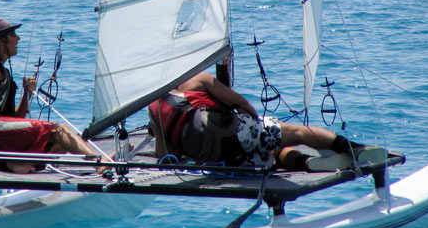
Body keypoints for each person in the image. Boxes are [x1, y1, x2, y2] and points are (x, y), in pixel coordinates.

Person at [147, 71, 385, 171]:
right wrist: (254, 123)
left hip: (213, 157)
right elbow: (243, 104)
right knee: (293, 132)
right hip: (234, 133)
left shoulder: (152, 108)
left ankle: (303, 162)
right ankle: (354, 150)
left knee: (267, 155)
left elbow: (163, 153)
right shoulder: (198, 79)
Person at [0, 18, 107, 174]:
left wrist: (27, 95)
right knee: (59, 130)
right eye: (13, 34)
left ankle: (17, 164)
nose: (18, 38)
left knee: (63, 143)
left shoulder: (1, 70)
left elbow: (15, 119)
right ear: (0, 40)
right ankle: (99, 163)